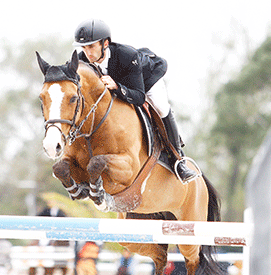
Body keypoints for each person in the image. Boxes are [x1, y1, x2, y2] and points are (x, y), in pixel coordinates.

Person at [73, 19, 198, 184]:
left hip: (146, 80)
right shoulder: (82, 61)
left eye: (91, 46)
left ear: (105, 43)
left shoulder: (126, 55)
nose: (87, 52)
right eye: (84, 47)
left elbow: (139, 97)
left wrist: (117, 87)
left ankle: (178, 159)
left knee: (161, 108)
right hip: (120, 84)